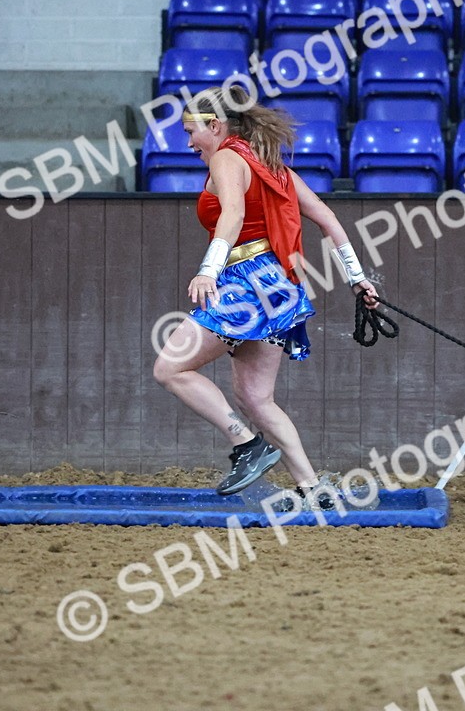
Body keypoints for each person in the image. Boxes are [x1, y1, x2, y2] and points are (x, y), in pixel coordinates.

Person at [152, 85, 379, 509]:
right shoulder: (273, 167)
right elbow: (328, 219)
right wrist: (357, 278)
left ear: (215, 126)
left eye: (191, 131)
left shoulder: (226, 157)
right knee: (256, 399)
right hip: (277, 286)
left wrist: (208, 269)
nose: (188, 143)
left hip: (244, 281)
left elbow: (234, 215)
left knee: (169, 368)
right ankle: (313, 488)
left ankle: (246, 445)